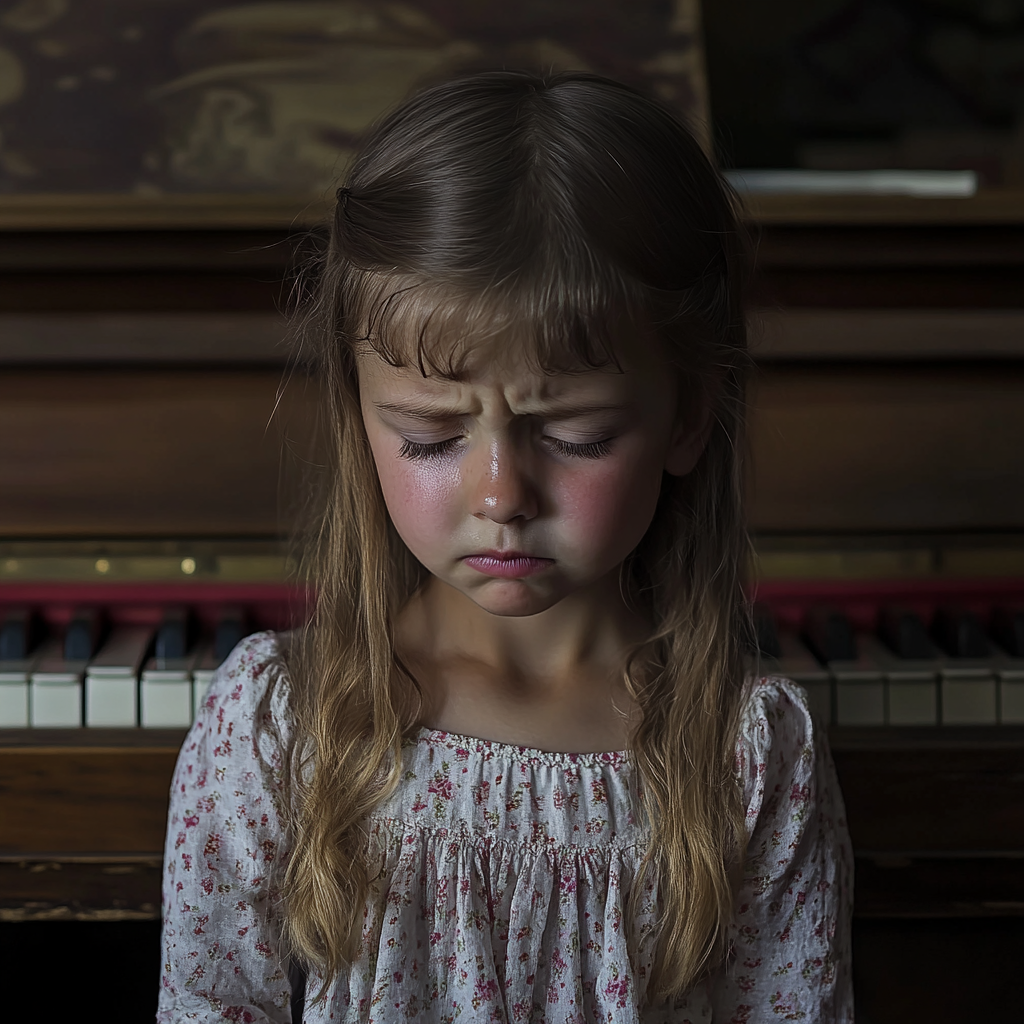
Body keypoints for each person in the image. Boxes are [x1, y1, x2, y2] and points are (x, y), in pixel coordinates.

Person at [157, 70, 853, 1023]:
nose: (502, 497)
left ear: (688, 417)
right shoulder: (280, 724)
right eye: (432, 437)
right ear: (360, 419)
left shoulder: (748, 754)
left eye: (576, 435)